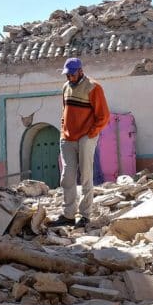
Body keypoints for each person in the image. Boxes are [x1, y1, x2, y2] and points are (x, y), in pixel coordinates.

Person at [51, 57, 110, 228]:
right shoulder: (65, 88)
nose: (69, 78)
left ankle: (84, 215)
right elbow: (65, 111)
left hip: (86, 137)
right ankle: (69, 215)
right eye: (67, 75)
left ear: (81, 71)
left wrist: (91, 134)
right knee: (67, 177)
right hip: (67, 138)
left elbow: (103, 116)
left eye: (72, 75)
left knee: (85, 176)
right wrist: (63, 130)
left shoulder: (93, 87)